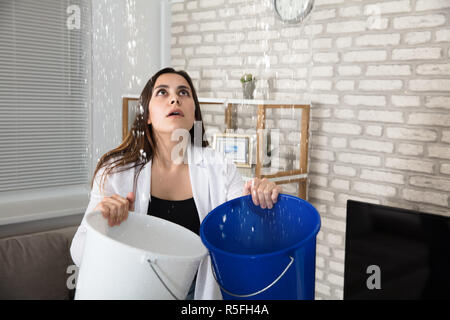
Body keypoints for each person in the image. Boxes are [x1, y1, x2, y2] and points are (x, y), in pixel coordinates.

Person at [70, 67, 282, 300]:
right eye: (162, 92)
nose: (174, 98)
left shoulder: (219, 168)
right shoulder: (115, 172)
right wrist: (104, 225)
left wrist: (261, 199)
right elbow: (79, 252)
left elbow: (246, 230)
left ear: (193, 113)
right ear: (147, 115)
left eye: (184, 93)